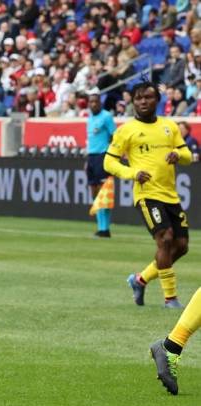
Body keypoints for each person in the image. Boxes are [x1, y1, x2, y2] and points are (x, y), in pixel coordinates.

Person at [104, 81, 192, 309]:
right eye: (138, 98)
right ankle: (170, 299)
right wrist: (132, 173)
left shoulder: (169, 126)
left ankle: (140, 280)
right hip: (147, 195)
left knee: (181, 246)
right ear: (133, 102)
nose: (143, 102)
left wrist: (176, 154)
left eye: (148, 97)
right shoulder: (126, 130)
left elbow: (187, 155)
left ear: (157, 100)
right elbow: (109, 161)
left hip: (170, 195)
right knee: (165, 238)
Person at [86, 91, 117, 237]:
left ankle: (105, 228)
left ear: (100, 103)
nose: (93, 104)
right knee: (94, 193)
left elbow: (115, 136)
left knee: (103, 192)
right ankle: (100, 227)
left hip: (102, 156)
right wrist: (87, 159)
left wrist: (111, 156)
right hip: (92, 157)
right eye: (91, 102)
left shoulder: (106, 117)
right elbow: (91, 140)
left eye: (95, 102)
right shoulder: (90, 118)